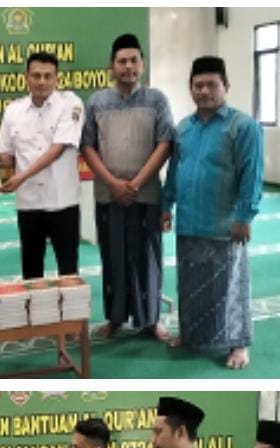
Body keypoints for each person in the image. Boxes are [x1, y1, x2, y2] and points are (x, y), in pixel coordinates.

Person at [161, 56, 264, 370]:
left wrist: (244, 217)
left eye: (211, 85)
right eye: (198, 85)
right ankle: (192, 335)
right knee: (191, 286)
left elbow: (252, 174)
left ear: (225, 86)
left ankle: (238, 343)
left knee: (230, 286)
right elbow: (175, 171)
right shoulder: (183, 128)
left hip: (224, 224)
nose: (204, 91)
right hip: (190, 221)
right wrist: (166, 206)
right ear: (190, 88)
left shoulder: (243, 127)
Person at [81, 34, 174, 340]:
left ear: (142, 64)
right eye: (122, 61)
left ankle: (151, 321)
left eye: (134, 60)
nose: (128, 67)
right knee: (113, 257)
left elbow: (165, 144)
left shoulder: (157, 100)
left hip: (146, 194)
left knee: (148, 257)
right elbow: (88, 147)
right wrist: (113, 183)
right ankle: (115, 318)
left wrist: (134, 184)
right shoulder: (97, 102)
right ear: (111, 66)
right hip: (108, 195)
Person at [0, 52, 85, 279]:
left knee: (68, 271)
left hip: (62, 201)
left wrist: (20, 177)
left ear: (57, 78)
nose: (42, 81)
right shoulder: (13, 110)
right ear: (26, 77)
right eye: (36, 76)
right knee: (31, 272)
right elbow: (5, 153)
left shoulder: (71, 104)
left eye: (48, 76)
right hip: (28, 202)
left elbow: (57, 150)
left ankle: (69, 305)